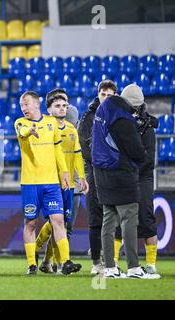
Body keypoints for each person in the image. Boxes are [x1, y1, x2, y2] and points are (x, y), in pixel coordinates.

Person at [92, 84, 159, 279]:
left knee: (108, 220)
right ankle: (134, 268)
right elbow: (137, 152)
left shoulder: (103, 108)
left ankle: (111, 268)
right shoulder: (123, 117)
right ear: (137, 105)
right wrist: (142, 156)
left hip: (101, 173)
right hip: (119, 173)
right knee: (130, 219)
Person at [14, 91, 81, 275]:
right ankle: (31, 264)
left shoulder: (51, 123)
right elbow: (22, 132)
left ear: (36, 104)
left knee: (58, 221)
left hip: (51, 183)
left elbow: (58, 150)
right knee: (30, 223)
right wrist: (30, 130)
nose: (24, 108)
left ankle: (65, 261)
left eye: (26, 104)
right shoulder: (20, 123)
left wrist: (65, 172)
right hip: (30, 183)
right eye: (22, 106)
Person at [36, 94, 89, 274]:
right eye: (59, 104)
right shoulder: (46, 127)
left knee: (63, 225)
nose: (63, 107)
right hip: (51, 182)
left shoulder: (71, 126)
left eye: (65, 104)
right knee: (59, 224)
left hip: (70, 184)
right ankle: (58, 262)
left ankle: (45, 257)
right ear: (50, 107)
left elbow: (77, 154)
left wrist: (81, 177)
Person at [113, 85, 160, 275]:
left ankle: (151, 263)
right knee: (117, 220)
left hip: (142, 178)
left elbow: (148, 161)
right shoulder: (117, 124)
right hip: (123, 176)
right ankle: (113, 261)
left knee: (146, 220)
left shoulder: (148, 129)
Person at [78, 80, 117, 275]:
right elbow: (85, 149)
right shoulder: (88, 118)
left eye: (110, 95)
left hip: (114, 172)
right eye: (103, 94)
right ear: (98, 94)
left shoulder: (119, 116)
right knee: (95, 217)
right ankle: (96, 262)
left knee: (113, 217)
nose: (106, 98)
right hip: (94, 172)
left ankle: (110, 259)